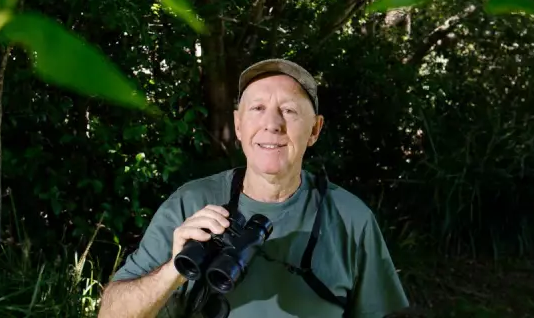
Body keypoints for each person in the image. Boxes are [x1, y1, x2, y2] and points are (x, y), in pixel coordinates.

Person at [97, 59, 409, 318]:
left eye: (289, 110)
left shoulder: (351, 218)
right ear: (238, 125)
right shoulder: (191, 203)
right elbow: (110, 314)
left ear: (315, 130)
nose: (272, 124)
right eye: (257, 108)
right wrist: (172, 270)